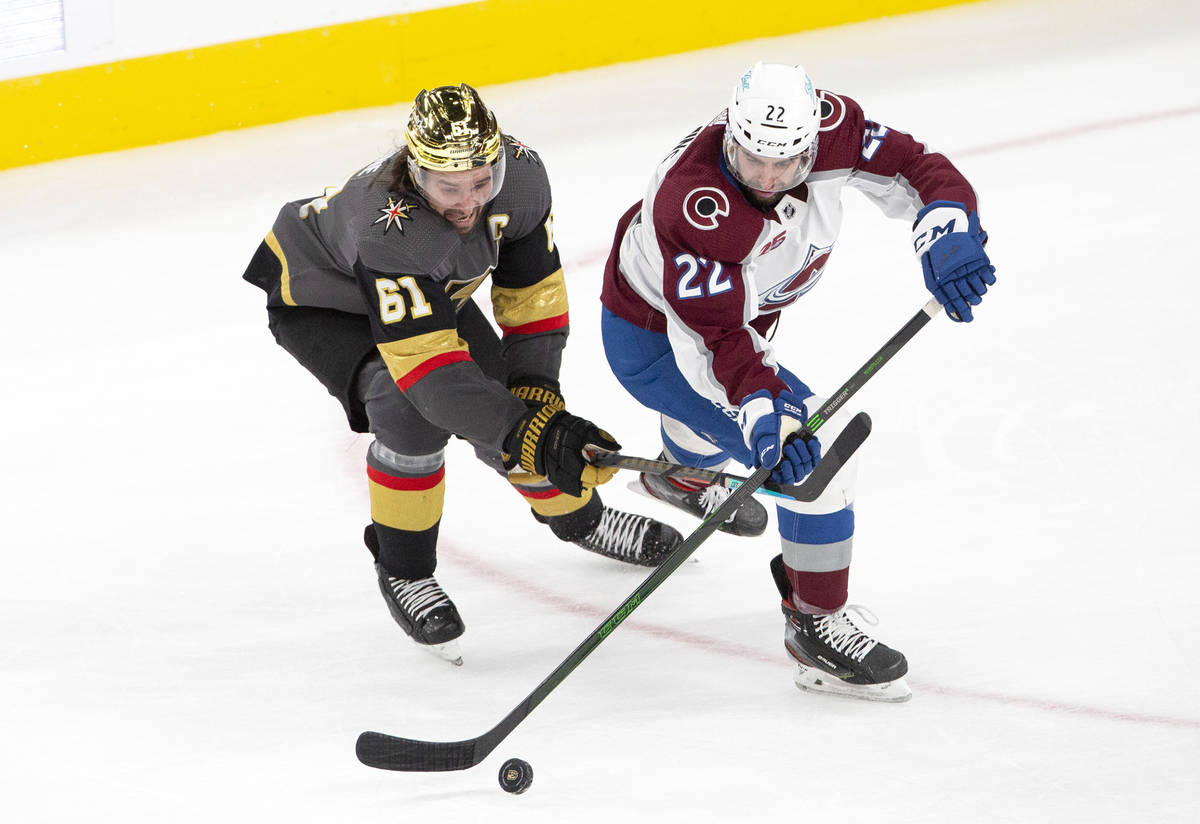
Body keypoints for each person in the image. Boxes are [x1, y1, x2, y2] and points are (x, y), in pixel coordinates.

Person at [243, 83, 682, 666]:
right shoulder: (388, 228)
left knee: (515, 406)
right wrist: (531, 432)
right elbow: (431, 377)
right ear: (414, 171)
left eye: (481, 181)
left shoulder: (523, 178)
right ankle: (404, 570)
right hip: (326, 301)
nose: (469, 201)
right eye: (448, 187)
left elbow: (534, 297)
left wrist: (539, 396)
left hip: (429, 287)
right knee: (410, 415)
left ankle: (581, 520)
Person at [600, 62, 996, 701]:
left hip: (735, 323)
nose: (766, 178)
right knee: (820, 466)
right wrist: (769, 414)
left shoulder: (836, 128)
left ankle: (680, 473)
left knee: (723, 424)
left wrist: (946, 229)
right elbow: (717, 343)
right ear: (730, 132)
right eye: (752, 159)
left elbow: (916, 168)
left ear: (812, 141)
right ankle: (815, 625)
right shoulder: (695, 206)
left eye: (785, 165)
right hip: (660, 341)